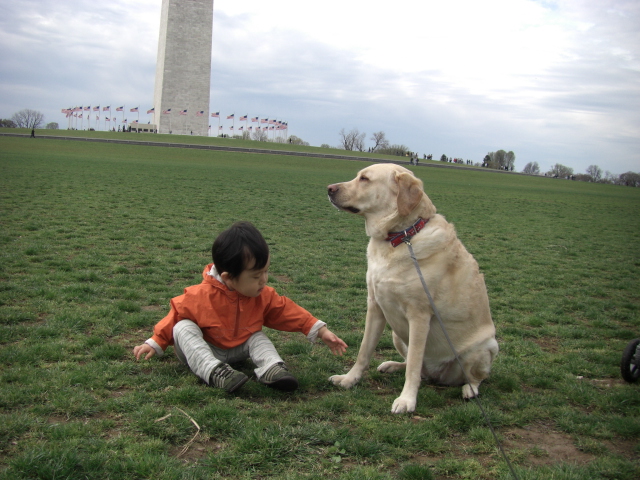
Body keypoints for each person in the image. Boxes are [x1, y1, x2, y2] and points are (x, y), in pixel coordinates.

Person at [133, 221, 347, 393]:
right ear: (228, 278)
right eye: (256, 276)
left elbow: (286, 311)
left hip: (237, 350)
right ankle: (214, 371)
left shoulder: (262, 295)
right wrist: (155, 342)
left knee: (257, 337)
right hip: (204, 350)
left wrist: (321, 330)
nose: (264, 280)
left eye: (266, 271)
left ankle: (272, 368)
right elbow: (174, 316)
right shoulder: (199, 295)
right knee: (183, 327)